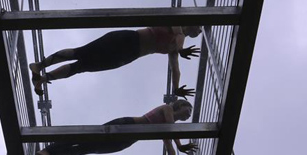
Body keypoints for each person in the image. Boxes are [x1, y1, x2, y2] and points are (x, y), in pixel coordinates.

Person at [29, 26, 201, 96]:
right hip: (127, 40)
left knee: (81, 66)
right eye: (199, 26)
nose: (200, 31)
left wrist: (176, 88)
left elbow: (175, 69)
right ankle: (39, 65)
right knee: (80, 53)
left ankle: (42, 79)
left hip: (129, 55)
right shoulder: (177, 26)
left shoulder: (175, 47)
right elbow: (178, 36)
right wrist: (181, 50)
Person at [36, 100, 197, 155]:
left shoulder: (167, 128)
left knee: (87, 148)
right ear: (180, 105)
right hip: (127, 126)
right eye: (188, 110)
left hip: (128, 139)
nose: (188, 115)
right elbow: (171, 131)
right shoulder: (168, 109)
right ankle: (46, 151)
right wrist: (180, 145)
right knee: (85, 138)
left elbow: (169, 146)